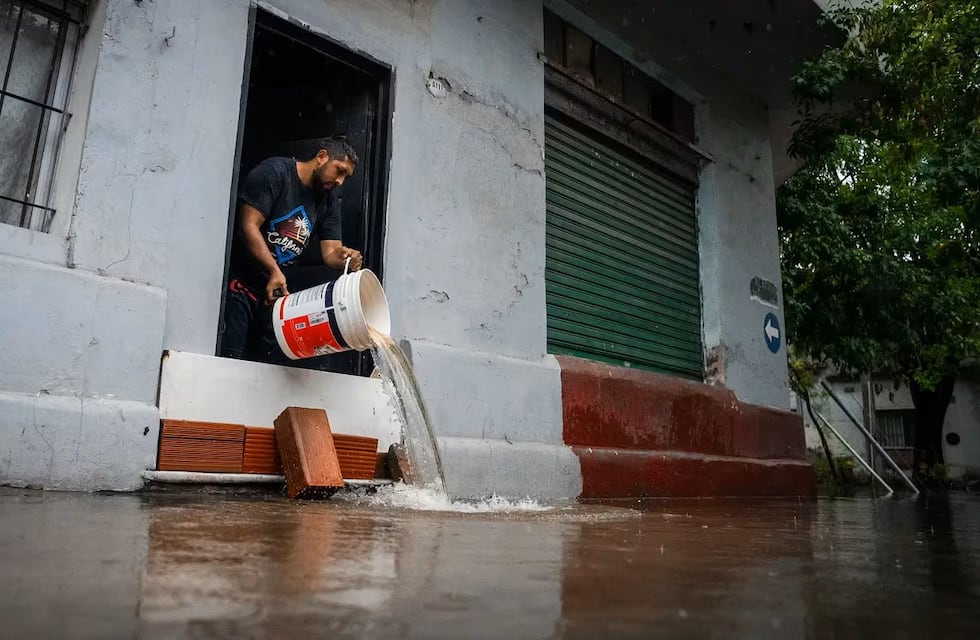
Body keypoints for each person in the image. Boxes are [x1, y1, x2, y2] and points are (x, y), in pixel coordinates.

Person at [221, 136, 363, 359]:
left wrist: (346, 257)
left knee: (267, 366)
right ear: (322, 157)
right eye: (339, 170)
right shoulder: (275, 172)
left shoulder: (328, 199)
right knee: (229, 359)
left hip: (277, 297)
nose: (340, 181)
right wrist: (273, 269)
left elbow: (331, 252)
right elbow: (248, 226)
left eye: (346, 176)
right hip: (240, 286)